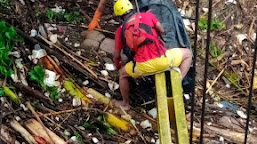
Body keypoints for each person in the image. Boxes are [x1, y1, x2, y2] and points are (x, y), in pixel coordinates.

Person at [112, 0, 192, 110]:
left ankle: (125, 104)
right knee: (188, 54)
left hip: (142, 67)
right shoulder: (147, 15)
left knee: (122, 74)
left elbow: (117, 55)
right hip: (163, 60)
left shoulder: (120, 31)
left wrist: (117, 66)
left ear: (119, 16)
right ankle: (178, 80)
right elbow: (162, 30)